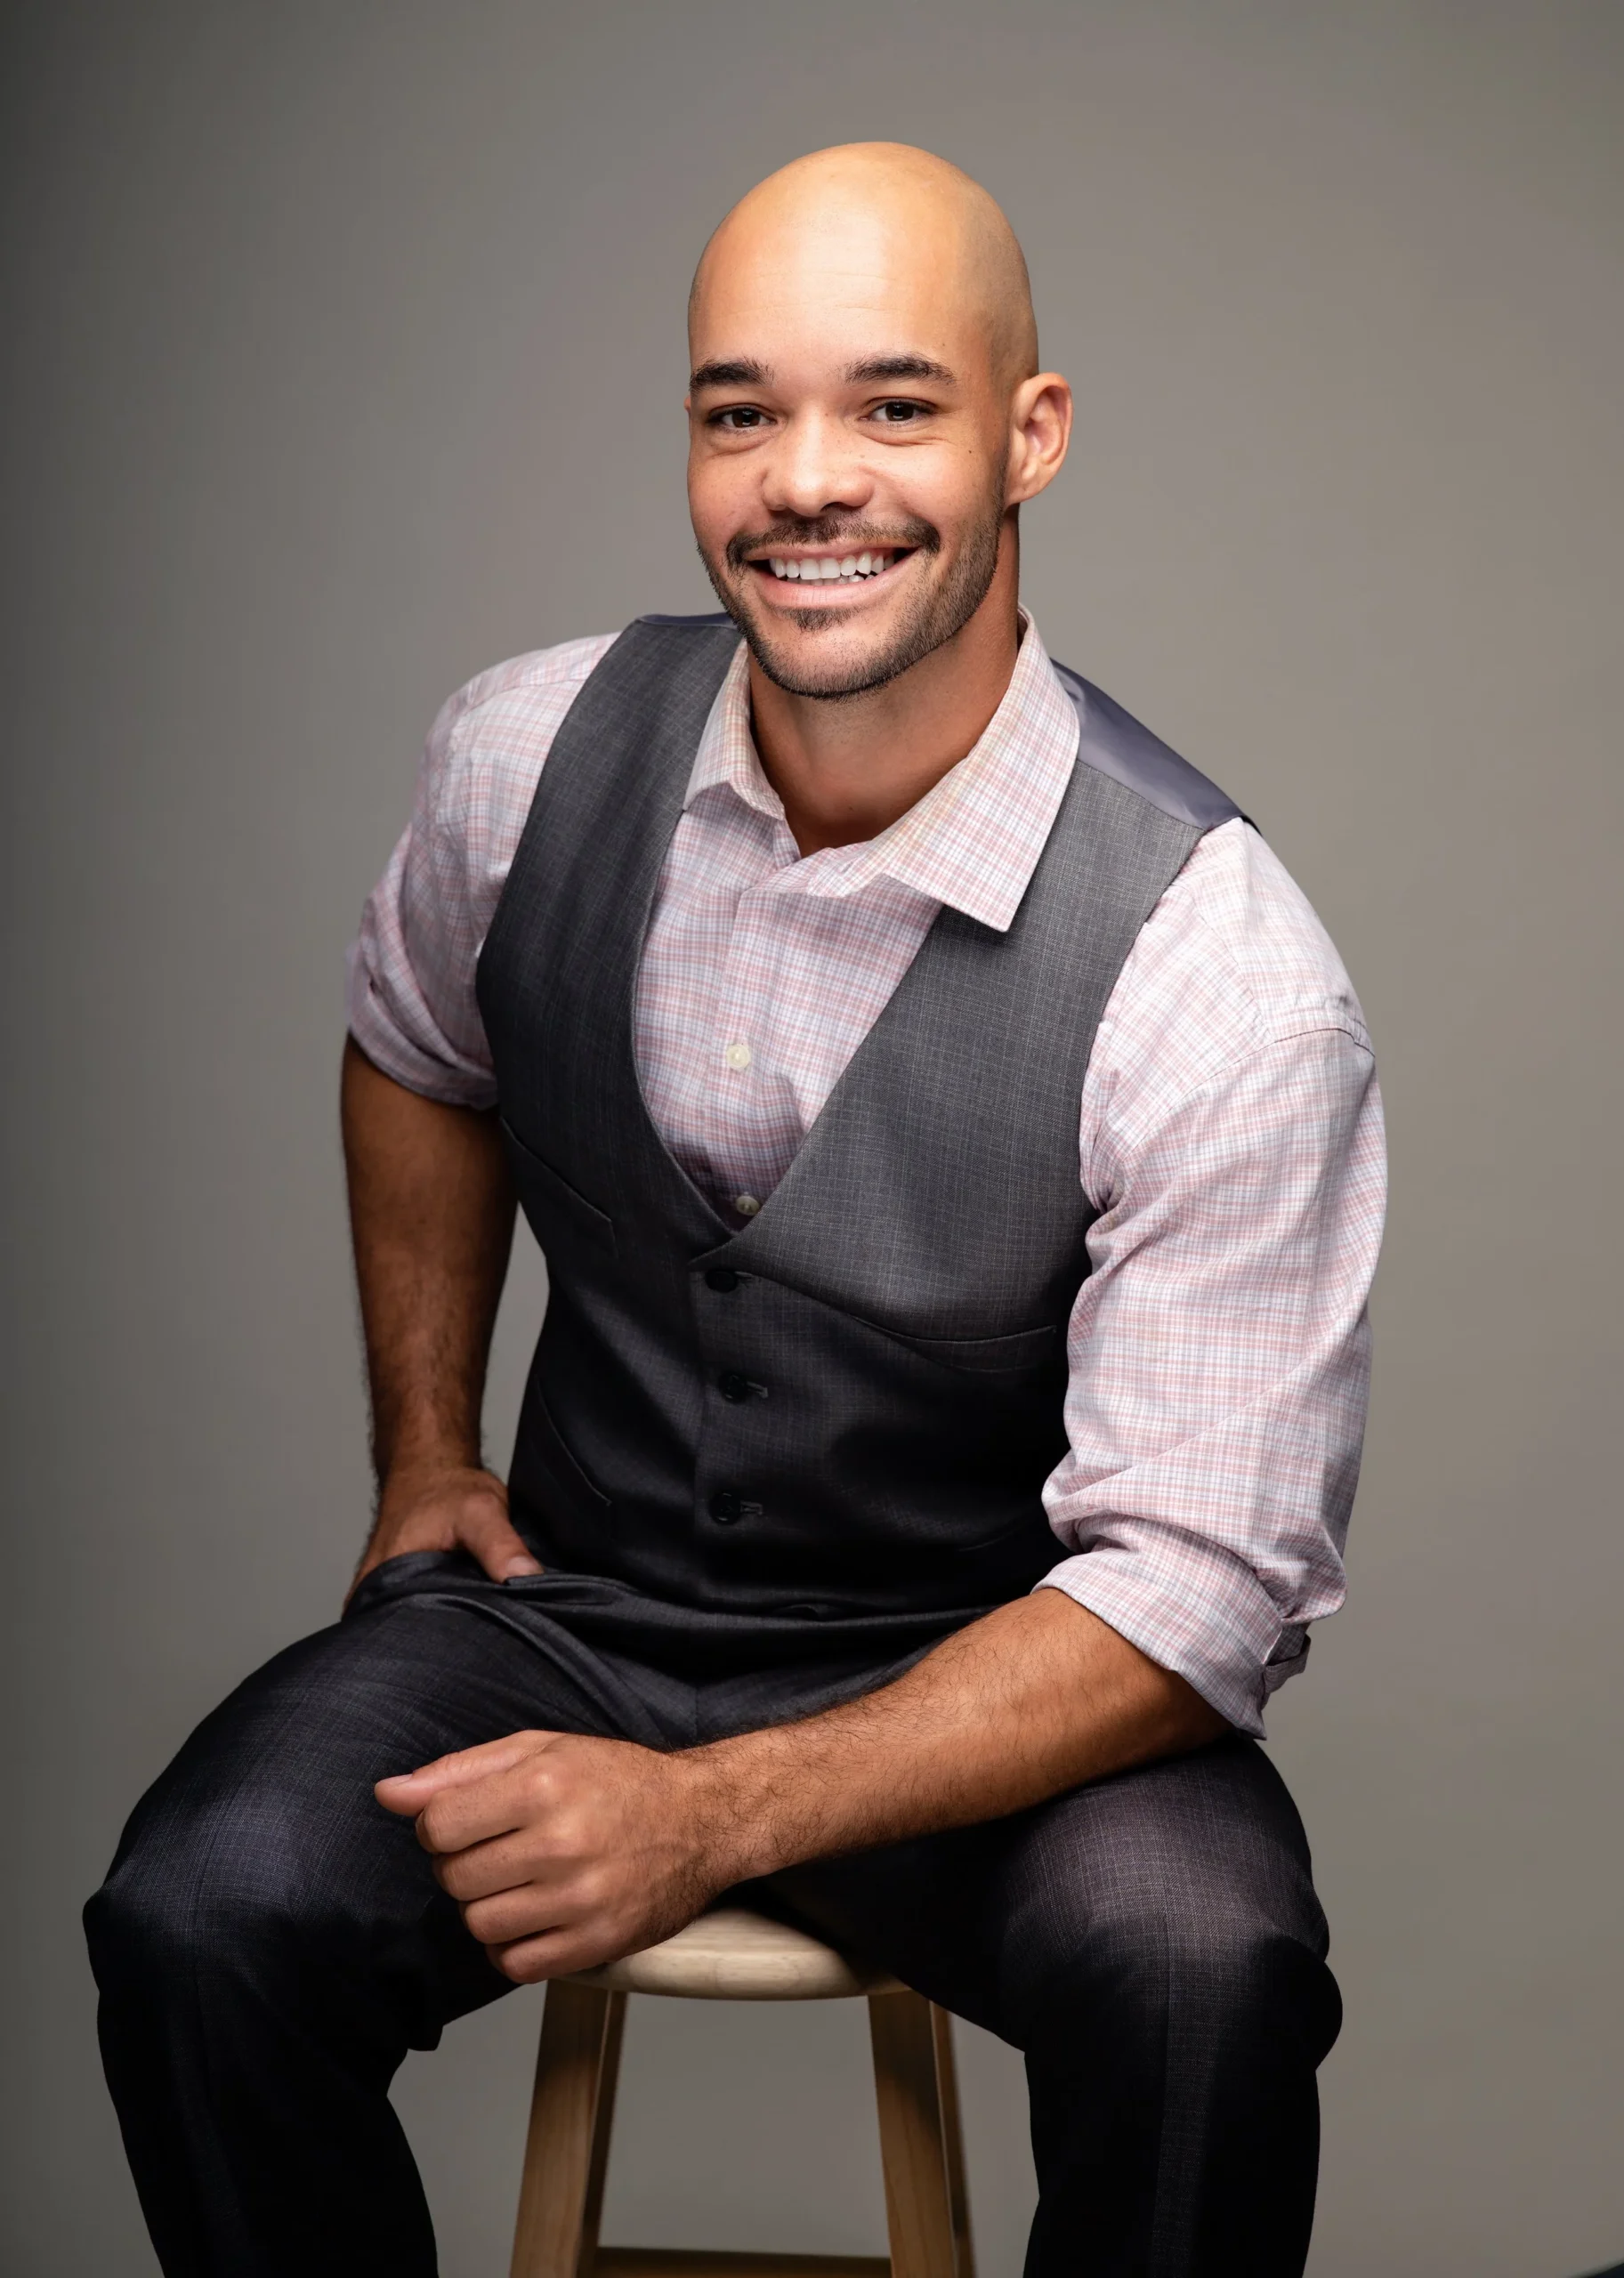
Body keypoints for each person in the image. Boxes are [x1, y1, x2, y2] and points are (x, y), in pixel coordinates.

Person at [85, 142, 1385, 2276]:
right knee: (198, 1914)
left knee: (1202, 1971)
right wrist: (427, 1448)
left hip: (1003, 1679)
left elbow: (1194, 1592)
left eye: (894, 405)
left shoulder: (1217, 965)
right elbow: (418, 1041)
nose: (808, 479)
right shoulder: (519, 752)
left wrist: (709, 1809)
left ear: (1028, 436)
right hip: (571, 1613)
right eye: (737, 409)